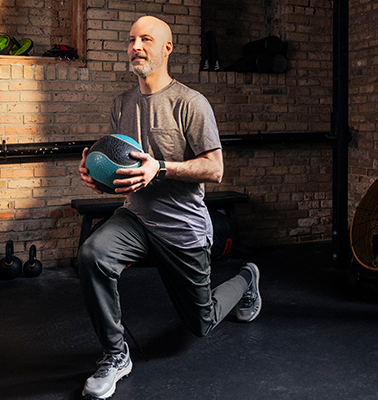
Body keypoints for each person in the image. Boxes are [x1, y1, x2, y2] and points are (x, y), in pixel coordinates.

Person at [75, 15, 261, 400]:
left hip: (181, 226)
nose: (136, 47)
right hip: (137, 218)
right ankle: (115, 354)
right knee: (93, 253)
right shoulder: (121, 104)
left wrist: (162, 168)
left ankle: (246, 280)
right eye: (131, 40)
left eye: (146, 39)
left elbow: (215, 169)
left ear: (167, 49)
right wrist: (98, 178)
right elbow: (124, 175)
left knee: (201, 323)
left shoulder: (190, 103)